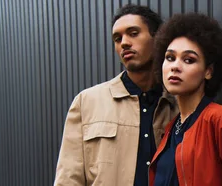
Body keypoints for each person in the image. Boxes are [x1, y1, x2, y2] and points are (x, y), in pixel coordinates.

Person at [54, 4, 178, 186]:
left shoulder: (177, 104)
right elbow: (68, 178)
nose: (124, 43)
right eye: (117, 38)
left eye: (133, 33)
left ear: (157, 38)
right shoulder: (87, 102)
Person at [148, 13, 222, 186]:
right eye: (170, 58)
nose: (175, 67)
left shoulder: (221, 120)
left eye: (189, 60)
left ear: (208, 71)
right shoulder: (172, 128)